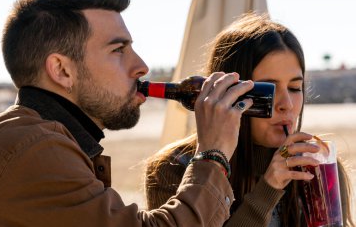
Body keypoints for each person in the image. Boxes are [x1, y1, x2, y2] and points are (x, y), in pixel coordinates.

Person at [0, 0, 257, 226]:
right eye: (118, 50)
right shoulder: (33, 148)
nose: (142, 66)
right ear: (62, 70)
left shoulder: (29, 135)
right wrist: (213, 153)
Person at [145, 13, 355, 226]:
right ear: (226, 93)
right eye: (268, 91)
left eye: (294, 88)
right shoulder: (174, 167)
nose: (287, 105)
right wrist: (269, 189)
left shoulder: (316, 165)